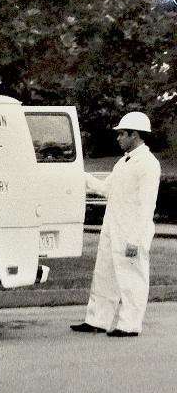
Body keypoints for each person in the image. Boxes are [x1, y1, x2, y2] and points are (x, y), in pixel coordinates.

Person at [71, 111, 161, 337]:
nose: (118, 138)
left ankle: (130, 324)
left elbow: (146, 206)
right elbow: (106, 189)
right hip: (113, 228)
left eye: (122, 134)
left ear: (135, 135)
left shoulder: (149, 164)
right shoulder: (123, 163)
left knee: (132, 279)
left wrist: (136, 240)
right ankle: (97, 320)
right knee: (104, 276)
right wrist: (80, 177)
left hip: (131, 232)